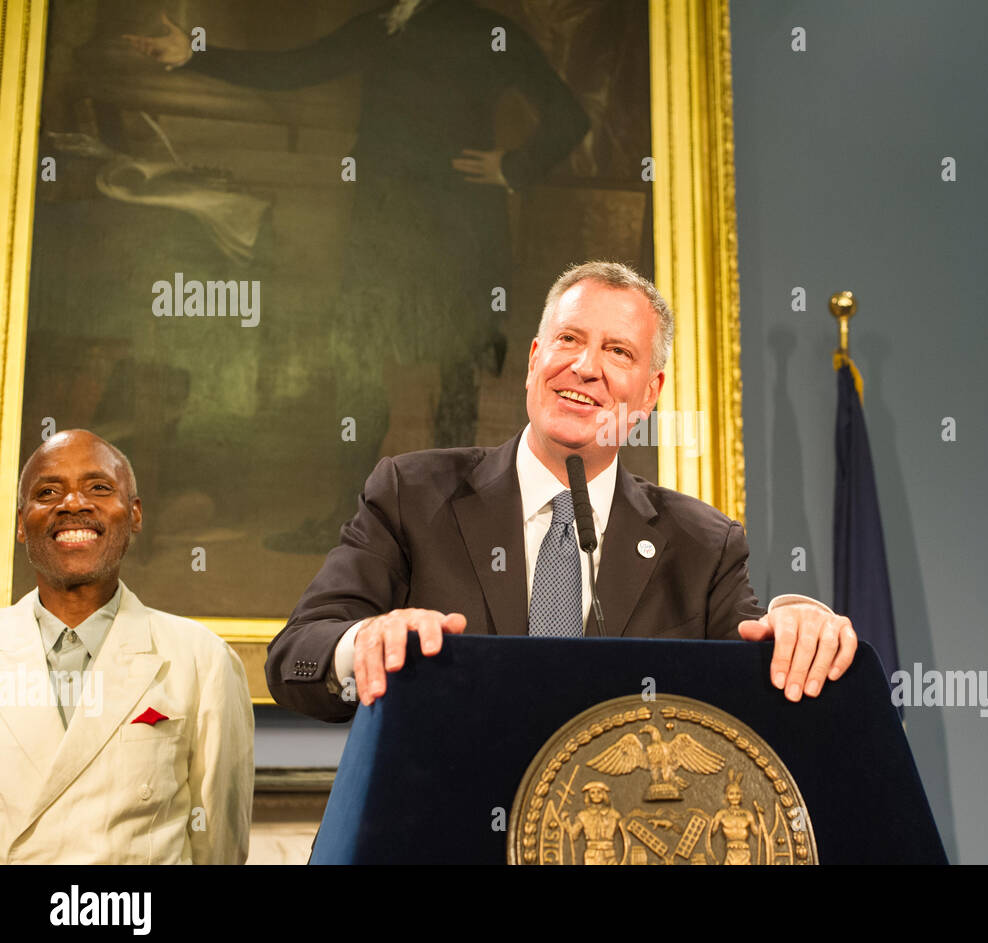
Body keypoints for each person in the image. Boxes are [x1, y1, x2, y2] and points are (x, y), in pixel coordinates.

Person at [268, 261, 860, 722]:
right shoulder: (410, 494)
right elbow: (294, 658)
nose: (584, 367)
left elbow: (754, 676)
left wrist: (800, 628)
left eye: (618, 352)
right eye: (569, 339)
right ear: (534, 359)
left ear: (650, 393)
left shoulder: (703, 546)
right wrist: (362, 644)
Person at [124, 1, 591, 552]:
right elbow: (296, 67)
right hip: (382, 231)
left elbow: (568, 116)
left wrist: (513, 166)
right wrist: (193, 54)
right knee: (359, 365)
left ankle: (449, 533)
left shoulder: (490, 30)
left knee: (455, 379)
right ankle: (349, 522)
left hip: (458, 234)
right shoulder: (384, 22)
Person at [0, 430, 253, 863]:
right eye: (48, 492)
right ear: (22, 524)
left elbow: (217, 847)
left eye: (98, 488)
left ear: (134, 515)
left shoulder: (202, 660)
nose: (74, 503)